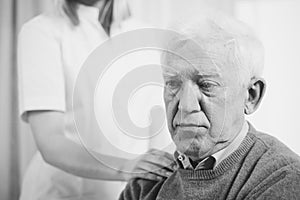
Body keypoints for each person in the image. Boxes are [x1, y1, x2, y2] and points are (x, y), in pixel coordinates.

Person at [119, 13, 300, 200]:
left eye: (207, 84)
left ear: (251, 96)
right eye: (173, 83)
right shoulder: (147, 182)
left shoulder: (283, 179)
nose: (185, 106)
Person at [17, 0, 174, 199]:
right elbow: (50, 141)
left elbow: (159, 129)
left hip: (129, 193)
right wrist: (126, 167)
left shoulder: (148, 34)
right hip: (62, 192)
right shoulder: (42, 32)